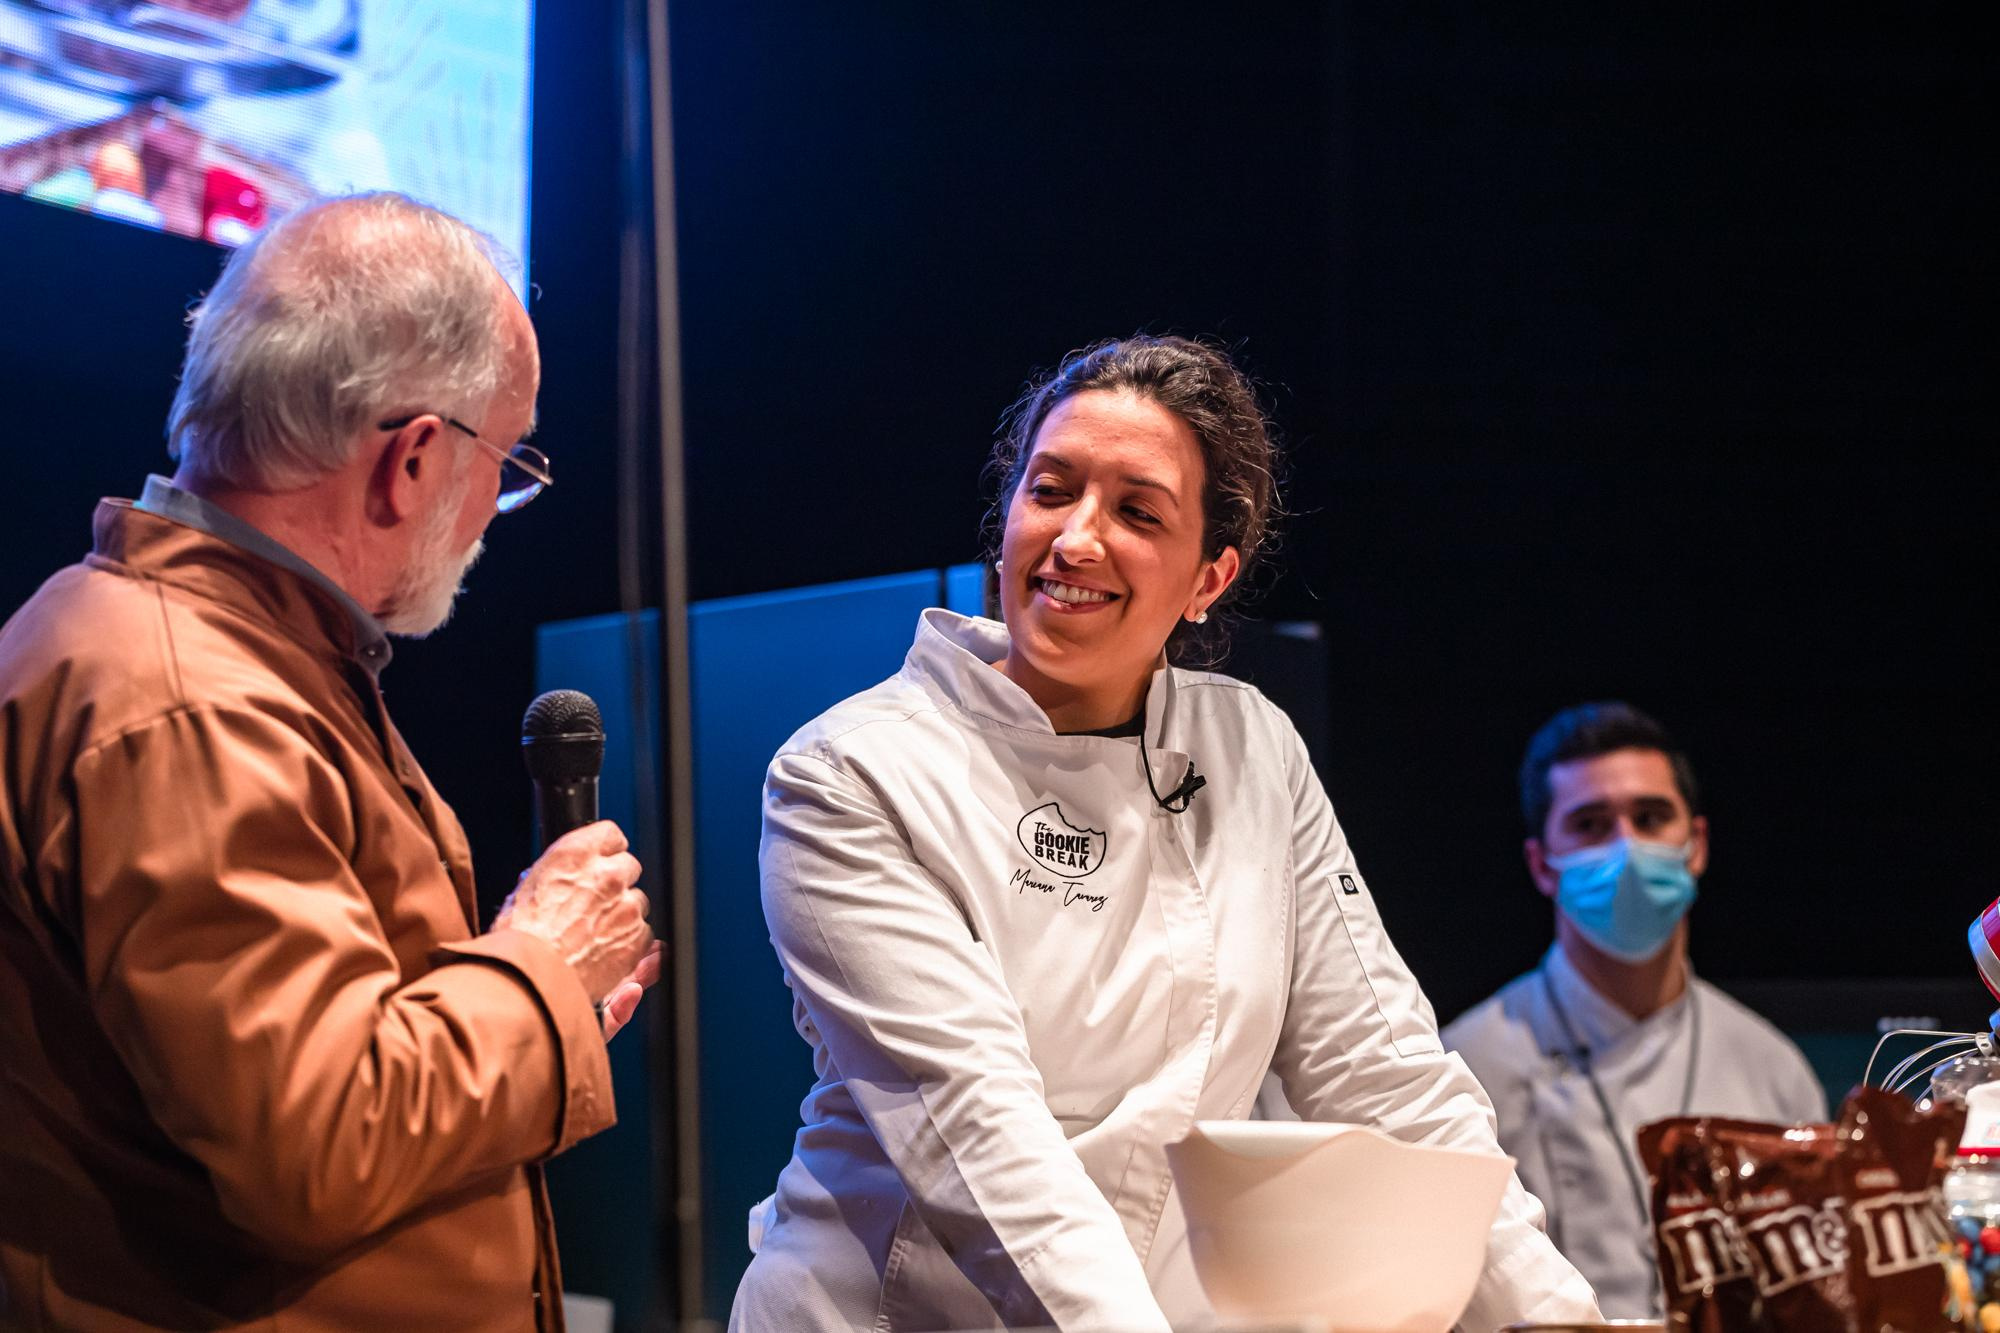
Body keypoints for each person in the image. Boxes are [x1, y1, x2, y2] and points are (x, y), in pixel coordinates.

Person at [730, 335, 1600, 1330]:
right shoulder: (850, 772)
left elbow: (1385, 1076)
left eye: (1136, 512)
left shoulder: (1251, 749)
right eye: (1049, 490)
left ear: (1207, 578)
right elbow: (978, 1135)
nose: (1075, 539)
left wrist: (1554, 1315)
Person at [0, 194, 659, 1331]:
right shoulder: (190, 696)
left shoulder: (222, 653)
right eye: (505, 465)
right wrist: (541, 969)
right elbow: (320, 1138)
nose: (494, 514)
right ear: (410, 460)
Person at [1442, 701, 1826, 1319]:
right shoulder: (1467, 1065)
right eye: (1591, 825)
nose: (1627, 847)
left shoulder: (1772, 1069)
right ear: (1543, 864)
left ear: (1695, 845)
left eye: (1650, 818)